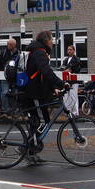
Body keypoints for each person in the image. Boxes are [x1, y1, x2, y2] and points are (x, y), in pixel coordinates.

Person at [20, 31, 67, 163]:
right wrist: (61, 83)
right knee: (41, 122)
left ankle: (31, 150)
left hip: (35, 92)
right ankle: (28, 148)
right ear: (46, 41)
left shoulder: (38, 51)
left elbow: (41, 75)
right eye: (51, 39)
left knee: (38, 122)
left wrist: (54, 88)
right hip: (33, 93)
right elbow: (46, 72)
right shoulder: (40, 52)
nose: (53, 42)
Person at [0, 38, 20, 109]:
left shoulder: (18, 54)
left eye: (10, 44)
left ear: (14, 45)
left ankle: (14, 109)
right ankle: (6, 110)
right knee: (4, 93)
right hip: (5, 76)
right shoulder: (3, 53)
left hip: (14, 77)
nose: (8, 46)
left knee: (15, 93)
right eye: (8, 44)